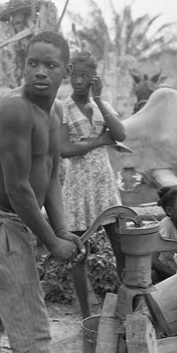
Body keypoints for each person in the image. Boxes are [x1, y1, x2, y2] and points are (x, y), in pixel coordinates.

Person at [0, 30, 99, 353]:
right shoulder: (15, 109)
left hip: (6, 224)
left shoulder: (56, 111)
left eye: (50, 65)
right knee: (33, 333)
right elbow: (19, 190)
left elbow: (50, 177)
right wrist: (51, 242)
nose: (40, 72)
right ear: (22, 66)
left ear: (67, 71)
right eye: (33, 63)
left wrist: (62, 230)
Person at [61, 49, 126, 318]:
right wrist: (100, 140)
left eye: (84, 76)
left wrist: (99, 99)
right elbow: (64, 149)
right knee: (79, 251)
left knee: (120, 244)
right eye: (74, 74)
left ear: (93, 78)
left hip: (103, 184)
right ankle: (86, 312)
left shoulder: (101, 104)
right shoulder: (62, 107)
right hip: (78, 185)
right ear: (69, 75)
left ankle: (126, 302)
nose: (78, 81)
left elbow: (120, 134)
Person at [151, 184, 177, 283]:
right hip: (169, 273)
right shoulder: (165, 226)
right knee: (151, 274)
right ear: (170, 210)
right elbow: (152, 260)